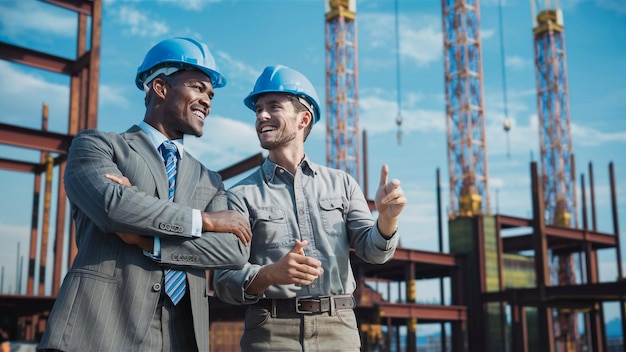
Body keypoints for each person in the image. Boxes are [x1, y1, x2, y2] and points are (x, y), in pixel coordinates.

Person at [38, 37, 252, 352]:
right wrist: (203, 220)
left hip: (181, 337)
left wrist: (148, 241)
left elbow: (233, 250)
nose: (207, 100)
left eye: (210, 94)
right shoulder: (99, 146)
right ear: (160, 88)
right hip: (97, 330)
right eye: (196, 87)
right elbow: (114, 207)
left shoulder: (211, 180)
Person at [212, 65, 407, 351]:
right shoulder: (240, 195)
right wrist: (269, 274)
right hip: (271, 332)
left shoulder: (341, 184)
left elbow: (373, 252)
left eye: (273, 107)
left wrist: (387, 220)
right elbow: (224, 282)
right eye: (258, 110)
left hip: (338, 329)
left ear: (303, 118)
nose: (261, 116)